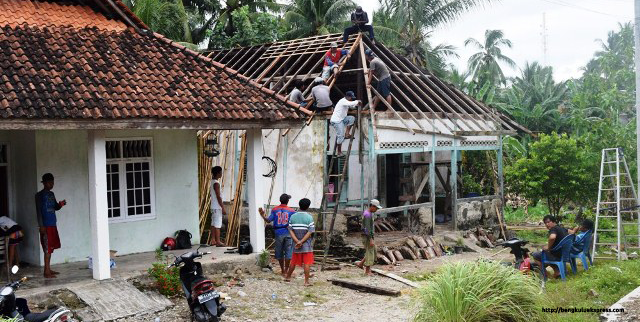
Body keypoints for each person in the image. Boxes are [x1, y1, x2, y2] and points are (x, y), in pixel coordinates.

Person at [35, 173, 66, 278]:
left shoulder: (52, 194)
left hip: (53, 223)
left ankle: (48, 268)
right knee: (47, 248)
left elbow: (55, 207)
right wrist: (41, 226)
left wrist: (61, 204)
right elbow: (39, 211)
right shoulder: (39, 195)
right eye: (49, 182)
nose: (52, 184)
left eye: (52, 182)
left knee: (50, 247)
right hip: (45, 225)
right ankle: (46, 272)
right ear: (44, 183)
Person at [258, 194, 296, 277]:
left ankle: (282, 270)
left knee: (279, 252)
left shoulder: (275, 209)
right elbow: (294, 222)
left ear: (280, 200)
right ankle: (286, 271)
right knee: (288, 252)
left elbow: (268, 220)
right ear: (288, 201)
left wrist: (262, 215)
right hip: (288, 232)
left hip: (278, 232)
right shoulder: (292, 211)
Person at [285, 198, 315, 286]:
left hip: (296, 244)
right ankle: (306, 282)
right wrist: (301, 241)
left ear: (299, 205)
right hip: (306, 245)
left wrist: (297, 241)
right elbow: (310, 232)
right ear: (308, 207)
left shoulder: (293, 216)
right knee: (307, 263)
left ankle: (288, 277)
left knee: (293, 262)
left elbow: (290, 230)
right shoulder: (309, 217)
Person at [330, 91, 361, 157]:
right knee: (340, 135)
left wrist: (356, 104)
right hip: (336, 121)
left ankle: (347, 134)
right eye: (351, 98)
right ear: (348, 97)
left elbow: (351, 105)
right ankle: (339, 152)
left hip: (342, 119)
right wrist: (357, 101)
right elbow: (351, 103)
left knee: (351, 118)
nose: (351, 99)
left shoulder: (346, 102)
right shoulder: (342, 101)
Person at [356, 199, 382, 276]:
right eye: (376, 208)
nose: (376, 210)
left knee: (371, 250)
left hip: (368, 235)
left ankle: (361, 264)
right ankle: (367, 271)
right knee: (370, 252)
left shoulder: (368, 213)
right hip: (367, 236)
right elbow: (367, 229)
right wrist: (371, 239)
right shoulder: (367, 215)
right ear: (372, 206)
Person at [210, 166, 226, 247]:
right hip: (217, 207)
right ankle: (218, 241)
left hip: (213, 206)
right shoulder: (216, 183)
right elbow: (218, 196)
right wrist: (222, 207)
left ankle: (213, 240)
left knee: (213, 223)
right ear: (217, 173)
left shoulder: (212, 181)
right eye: (220, 172)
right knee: (217, 224)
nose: (221, 174)